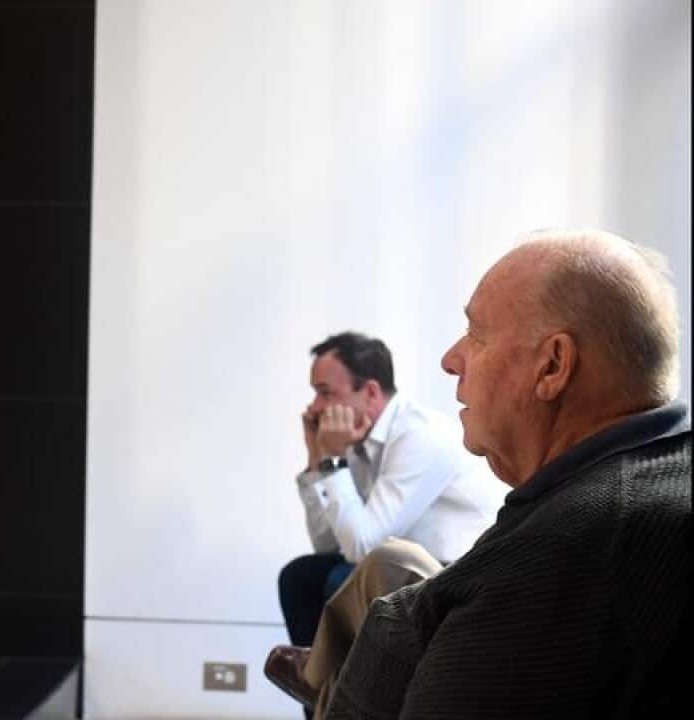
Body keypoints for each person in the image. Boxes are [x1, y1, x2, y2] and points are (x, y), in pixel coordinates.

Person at [324, 228, 690, 718]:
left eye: (476, 333)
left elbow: (359, 542)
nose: (450, 359)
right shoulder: (651, 479)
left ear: (552, 366)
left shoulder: (564, 552)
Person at [270, 333, 507, 716]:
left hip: (448, 572)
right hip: (390, 567)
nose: (315, 406)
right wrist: (318, 459)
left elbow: (362, 548)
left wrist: (333, 462)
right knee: (299, 576)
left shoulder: (419, 435)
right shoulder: (358, 439)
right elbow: (328, 543)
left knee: (340, 580)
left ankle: (342, 702)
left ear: (371, 392)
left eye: (325, 392)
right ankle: (319, 702)